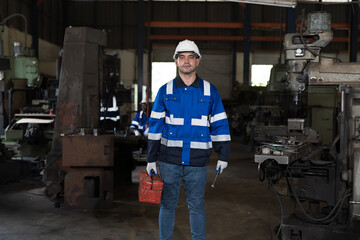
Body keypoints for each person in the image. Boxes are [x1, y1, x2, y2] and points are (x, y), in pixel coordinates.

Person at [146, 39, 231, 240]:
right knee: (167, 205)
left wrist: (223, 155)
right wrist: (151, 158)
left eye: (190, 57)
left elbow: (220, 124)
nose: (186, 62)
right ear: (175, 61)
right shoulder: (164, 91)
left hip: (197, 162)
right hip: (169, 161)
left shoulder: (211, 91)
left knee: (196, 207)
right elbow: (155, 127)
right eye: (182, 57)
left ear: (197, 61)